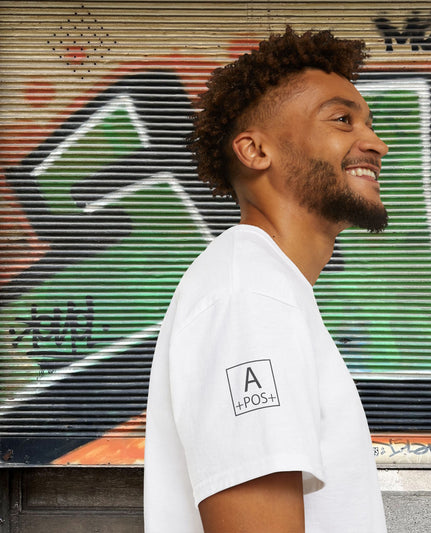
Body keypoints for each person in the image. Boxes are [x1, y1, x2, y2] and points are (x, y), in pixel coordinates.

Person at [144, 26, 389, 533]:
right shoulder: (250, 296)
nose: (376, 144)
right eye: (342, 119)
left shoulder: (265, 286)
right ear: (255, 151)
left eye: (369, 123)